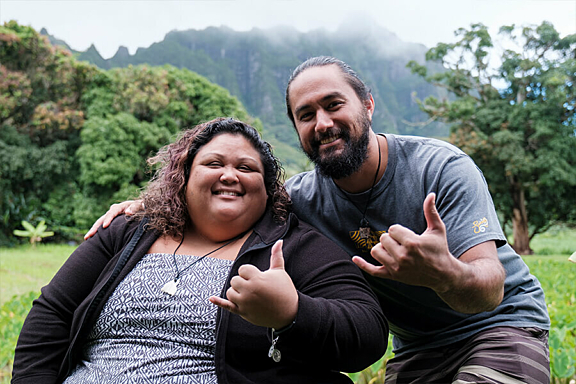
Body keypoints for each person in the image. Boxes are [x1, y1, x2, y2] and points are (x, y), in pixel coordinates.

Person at [87, 57, 551, 384]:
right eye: (305, 115)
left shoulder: (441, 168)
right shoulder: (299, 199)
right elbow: (224, 199)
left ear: (368, 105)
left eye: (333, 104)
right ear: (296, 130)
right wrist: (145, 209)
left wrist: (441, 272)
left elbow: (489, 291)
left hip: (500, 327)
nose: (322, 122)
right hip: (416, 347)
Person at [12, 118, 387, 384]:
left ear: (268, 189)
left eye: (246, 168)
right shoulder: (128, 231)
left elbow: (368, 332)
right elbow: (53, 315)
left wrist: (293, 312)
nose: (230, 175)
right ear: (184, 177)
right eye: (213, 163)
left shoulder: (294, 247)